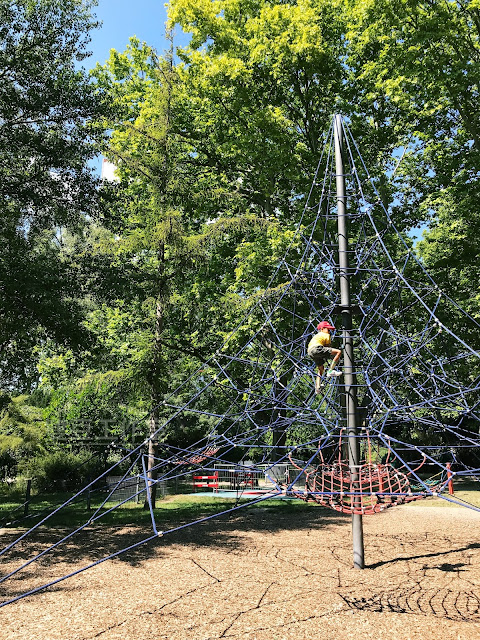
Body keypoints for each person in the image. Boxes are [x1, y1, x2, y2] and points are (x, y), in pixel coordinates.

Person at [307, 321, 342, 393]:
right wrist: (335, 359)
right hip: (317, 348)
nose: (329, 331)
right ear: (322, 329)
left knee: (321, 369)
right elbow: (328, 348)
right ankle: (330, 371)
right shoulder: (326, 335)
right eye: (328, 329)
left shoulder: (316, 336)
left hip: (310, 351)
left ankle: (317, 387)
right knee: (338, 352)